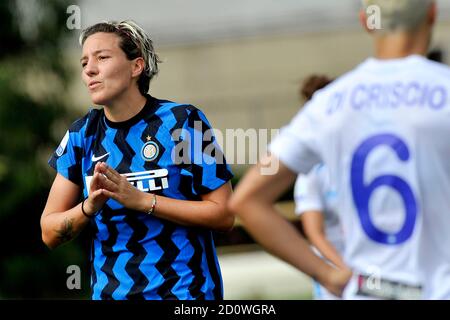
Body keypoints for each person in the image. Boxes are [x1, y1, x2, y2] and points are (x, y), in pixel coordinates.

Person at [230, 0, 450, 299]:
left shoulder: (328, 104)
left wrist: (330, 276)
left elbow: (247, 200)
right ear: (432, 13)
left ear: (365, 21)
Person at [40, 20, 234, 300]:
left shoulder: (183, 122)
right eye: (84, 63)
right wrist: (89, 206)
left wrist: (142, 201)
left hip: (184, 294)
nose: (89, 70)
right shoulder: (81, 135)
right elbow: (49, 232)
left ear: (136, 66)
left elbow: (225, 214)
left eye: (102, 57)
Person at [294, 75, 347, 300]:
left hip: (373, 267)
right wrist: (345, 269)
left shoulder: (359, 160)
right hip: (337, 275)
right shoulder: (312, 172)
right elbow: (315, 234)